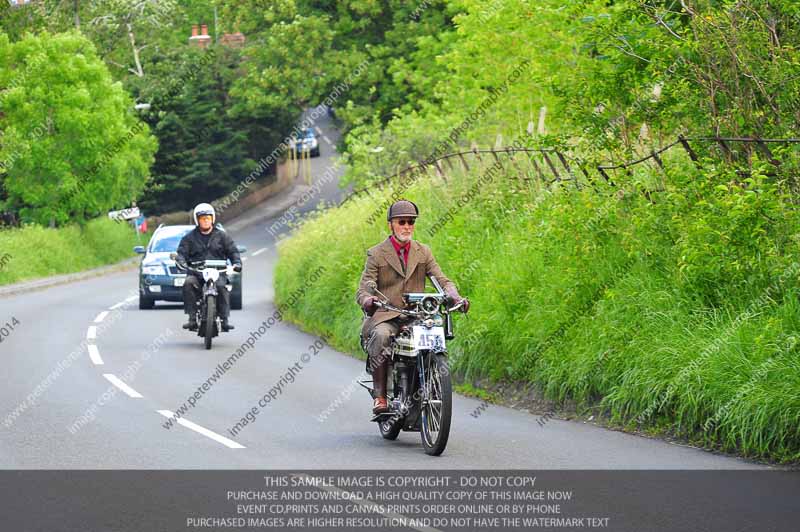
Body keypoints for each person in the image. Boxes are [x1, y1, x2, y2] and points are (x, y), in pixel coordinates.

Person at [356, 199, 469, 415]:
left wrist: (456, 297)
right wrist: (368, 300)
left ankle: (431, 383)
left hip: (417, 315)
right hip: (387, 315)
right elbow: (365, 287)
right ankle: (381, 396)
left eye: (410, 222)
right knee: (381, 335)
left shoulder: (423, 252)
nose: (407, 226)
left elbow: (442, 281)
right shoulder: (377, 253)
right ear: (391, 224)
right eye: (402, 222)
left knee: (436, 331)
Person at [175, 203, 242, 332]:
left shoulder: (223, 236)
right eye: (202, 218)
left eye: (208, 218)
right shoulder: (188, 238)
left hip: (218, 273)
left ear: (212, 219)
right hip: (196, 273)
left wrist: (237, 263)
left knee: (222, 287)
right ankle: (192, 318)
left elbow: (233, 251)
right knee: (188, 283)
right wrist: (181, 262)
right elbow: (181, 254)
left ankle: (225, 320)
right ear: (197, 220)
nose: (205, 221)